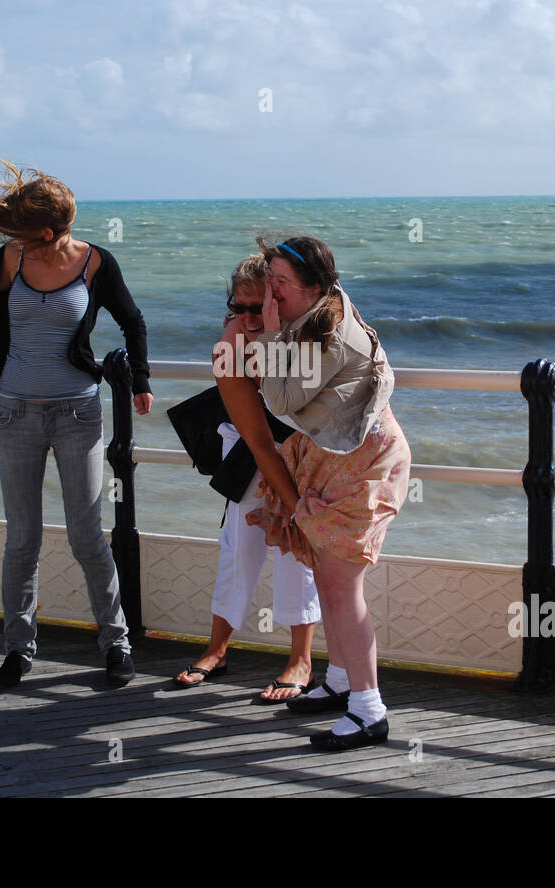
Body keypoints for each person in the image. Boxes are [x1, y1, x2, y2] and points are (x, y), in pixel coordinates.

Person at [0, 156, 153, 689]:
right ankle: (18, 650)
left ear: (49, 231)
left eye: (24, 230)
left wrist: (140, 381)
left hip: (77, 415)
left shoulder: (95, 263)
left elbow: (132, 320)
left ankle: (115, 644)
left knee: (88, 537)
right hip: (16, 413)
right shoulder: (8, 259)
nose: (14, 236)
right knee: (22, 538)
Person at [215, 234, 410, 751]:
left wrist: (268, 333)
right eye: (254, 298)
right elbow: (259, 433)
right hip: (325, 456)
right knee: (327, 580)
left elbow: (278, 403)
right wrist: (252, 333)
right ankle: (341, 682)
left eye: (278, 287)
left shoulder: (321, 334)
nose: (268, 302)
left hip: (364, 462)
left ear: (315, 287)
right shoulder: (293, 321)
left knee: (342, 587)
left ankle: (370, 711)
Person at [172, 255, 321, 702]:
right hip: (251, 446)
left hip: (303, 448)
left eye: (259, 307)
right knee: (238, 545)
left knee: (296, 552)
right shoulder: (231, 342)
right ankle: (217, 649)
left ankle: (302, 660)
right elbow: (257, 435)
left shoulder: (308, 336)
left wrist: (295, 500)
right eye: (239, 307)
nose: (248, 317)